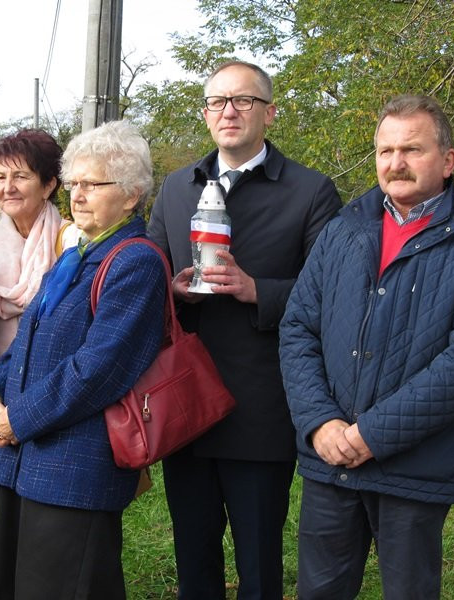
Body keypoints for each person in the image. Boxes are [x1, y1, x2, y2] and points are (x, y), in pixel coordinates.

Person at [279, 94, 454, 599]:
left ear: (447, 161)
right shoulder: (343, 230)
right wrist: (320, 423)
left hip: (413, 466)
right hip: (330, 460)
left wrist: (372, 435)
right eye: (385, 151)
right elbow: (298, 328)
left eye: (412, 149)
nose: (395, 163)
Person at [148, 60, 342, 599]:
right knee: (194, 558)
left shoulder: (310, 192)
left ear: (269, 113)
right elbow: (144, 280)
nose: (228, 111)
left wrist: (259, 289)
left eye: (244, 101)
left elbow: (333, 294)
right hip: (184, 405)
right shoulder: (175, 188)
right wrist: (173, 288)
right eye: (216, 102)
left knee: (259, 563)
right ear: (206, 114)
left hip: (259, 408)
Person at [0, 120, 167, 600]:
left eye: (93, 184)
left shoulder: (134, 260)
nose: (77, 195)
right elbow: (26, 340)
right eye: (74, 183)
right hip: (24, 463)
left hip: (73, 470)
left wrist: (16, 419)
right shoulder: (75, 254)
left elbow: (97, 370)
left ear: (131, 195)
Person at [0, 128, 79, 363]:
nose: (8, 187)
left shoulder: (73, 243)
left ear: (48, 185)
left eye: (20, 176)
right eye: (0, 178)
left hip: (51, 379)